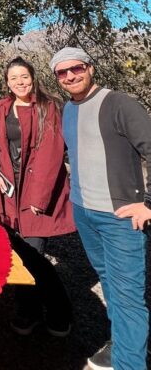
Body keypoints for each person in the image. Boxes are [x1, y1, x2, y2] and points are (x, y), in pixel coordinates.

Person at [51, 47, 151, 370]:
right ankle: (122, 345)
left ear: (90, 68)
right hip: (84, 213)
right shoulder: (68, 109)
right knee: (110, 284)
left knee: (127, 298)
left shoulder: (119, 103)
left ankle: (129, 363)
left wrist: (147, 204)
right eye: (62, 73)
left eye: (76, 68)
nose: (70, 76)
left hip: (120, 218)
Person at [0, 57, 74, 338]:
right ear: (7, 82)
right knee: (19, 256)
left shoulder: (48, 108)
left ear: (33, 78)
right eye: (14, 78)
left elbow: (51, 154)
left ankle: (60, 312)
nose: (19, 82)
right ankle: (29, 311)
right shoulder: (3, 108)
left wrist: (39, 197)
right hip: (8, 193)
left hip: (33, 194)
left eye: (24, 76)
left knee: (35, 257)